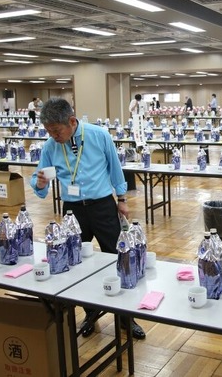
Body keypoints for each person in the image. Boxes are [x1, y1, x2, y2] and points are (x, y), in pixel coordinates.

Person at [30, 97, 146, 340]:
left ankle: (126, 318)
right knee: (75, 262)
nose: (53, 135)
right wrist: (39, 183)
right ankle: (90, 313)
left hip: (103, 206)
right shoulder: (50, 147)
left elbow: (115, 168)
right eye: (48, 131)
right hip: (73, 210)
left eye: (56, 130)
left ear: (72, 121)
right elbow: (38, 181)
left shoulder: (98, 135)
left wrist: (122, 199)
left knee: (118, 258)